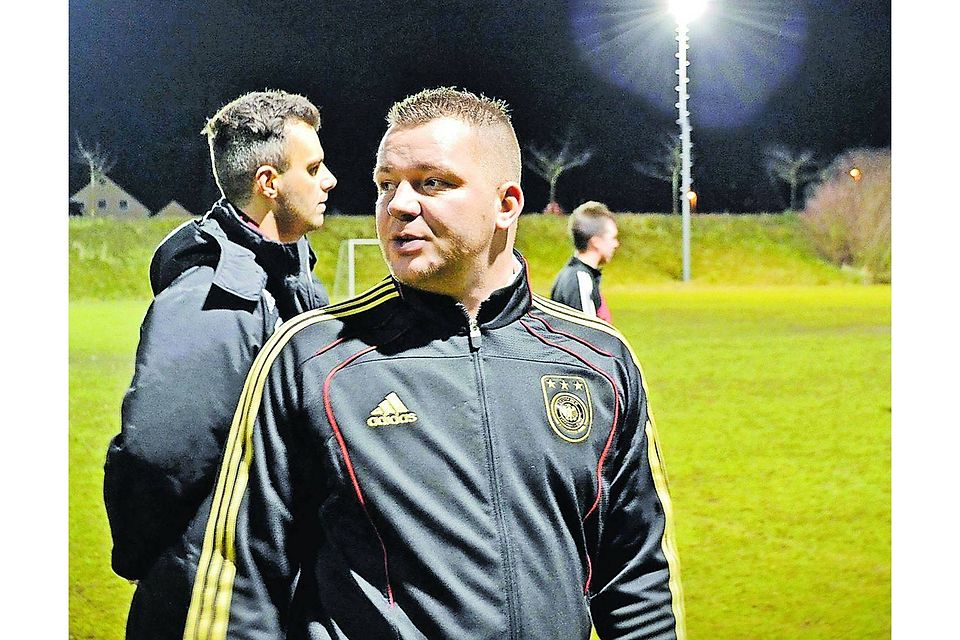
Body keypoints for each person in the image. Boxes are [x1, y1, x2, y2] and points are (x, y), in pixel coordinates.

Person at [182, 87, 685, 640]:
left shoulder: (599, 361)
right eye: (385, 185)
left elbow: (635, 581)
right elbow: (240, 588)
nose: (397, 204)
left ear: (506, 204)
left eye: (432, 183)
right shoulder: (310, 359)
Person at [103, 89, 337, 638]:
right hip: (214, 604)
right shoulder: (216, 293)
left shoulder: (297, 286)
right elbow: (159, 455)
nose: (328, 181)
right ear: (268, 183)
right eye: (314, 167)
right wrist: (151, 558)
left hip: (273, 595)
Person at [550, 200, 619, 322]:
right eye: (612, 238)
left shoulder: (571, 274)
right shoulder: (581, 279)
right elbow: (587, 336)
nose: (616, 244)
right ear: (596, 241)